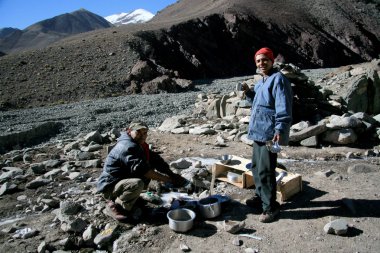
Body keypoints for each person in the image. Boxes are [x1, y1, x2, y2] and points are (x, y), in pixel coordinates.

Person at [97, 121, 187, 222]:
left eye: (144, 133)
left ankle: (131, 200)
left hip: (121, 180)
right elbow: (144, 171)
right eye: (138, 132)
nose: (142, 136)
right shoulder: (127, 146)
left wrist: (171, 174)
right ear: (129, 131)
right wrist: (169, 180)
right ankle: (117, 206)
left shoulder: (138, 144)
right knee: (137, 183)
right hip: (110, 186)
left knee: (148, 167)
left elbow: (156, 160)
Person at [242, 47, 293, 223]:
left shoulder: (278, 79)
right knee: (256, 167)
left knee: (266, 171)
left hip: (269, 133)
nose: (261, 63)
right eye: (258, 61)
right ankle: (259, 197)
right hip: (257, 131)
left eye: (265, 59)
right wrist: (249, 92)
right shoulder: (261, 81)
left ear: (272, 61)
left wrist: (280, 129)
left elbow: (283, 107)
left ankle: (270, 207)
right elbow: (257, 103)